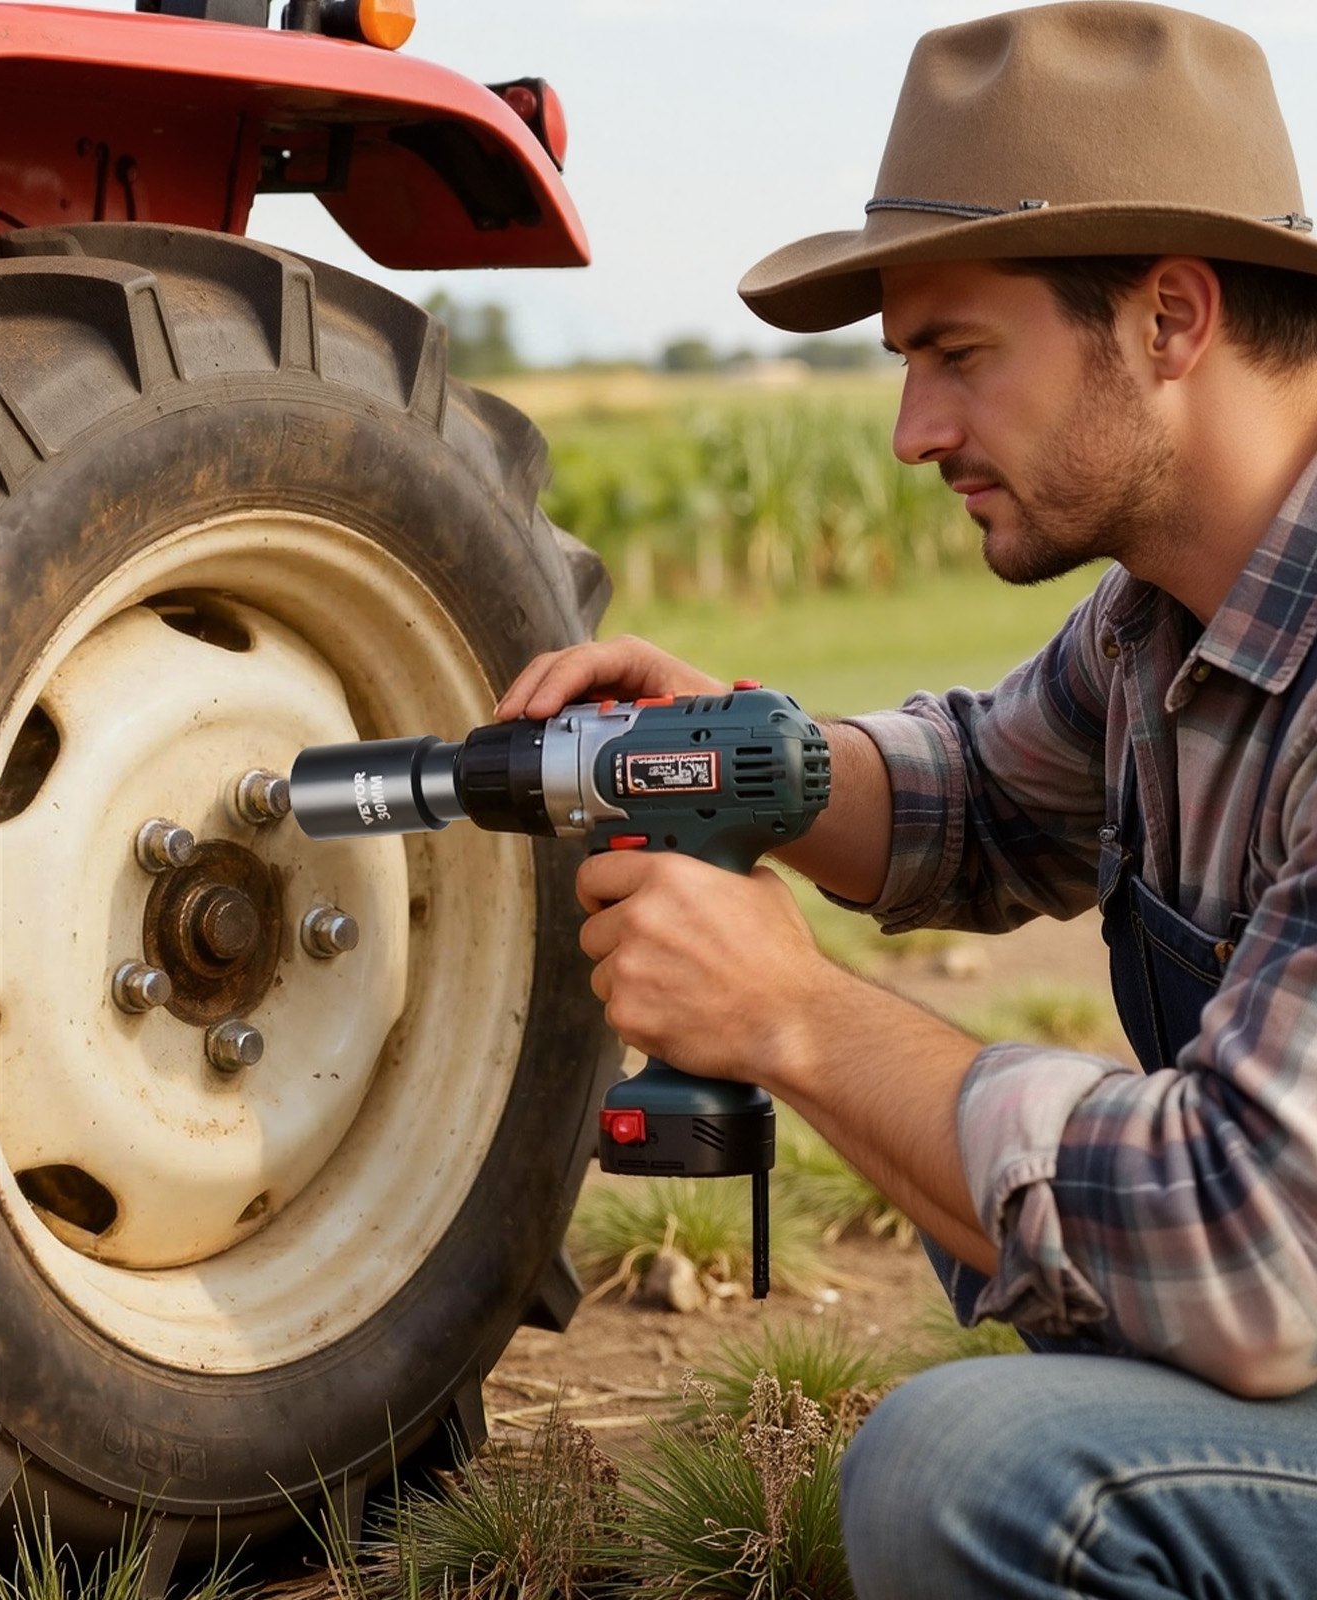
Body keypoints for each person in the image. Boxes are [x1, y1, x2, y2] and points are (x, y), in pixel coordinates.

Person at [496, 4, 1317, 1596]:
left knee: (973, 1472)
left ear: (1169, 318)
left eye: (957, 355)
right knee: (968, 1161)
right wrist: (733, 747)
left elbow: (1243, 1244)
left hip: (1278, 1270)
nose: (910, 433)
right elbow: (974, 797)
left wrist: (792, 1013)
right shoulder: (1164, 621)